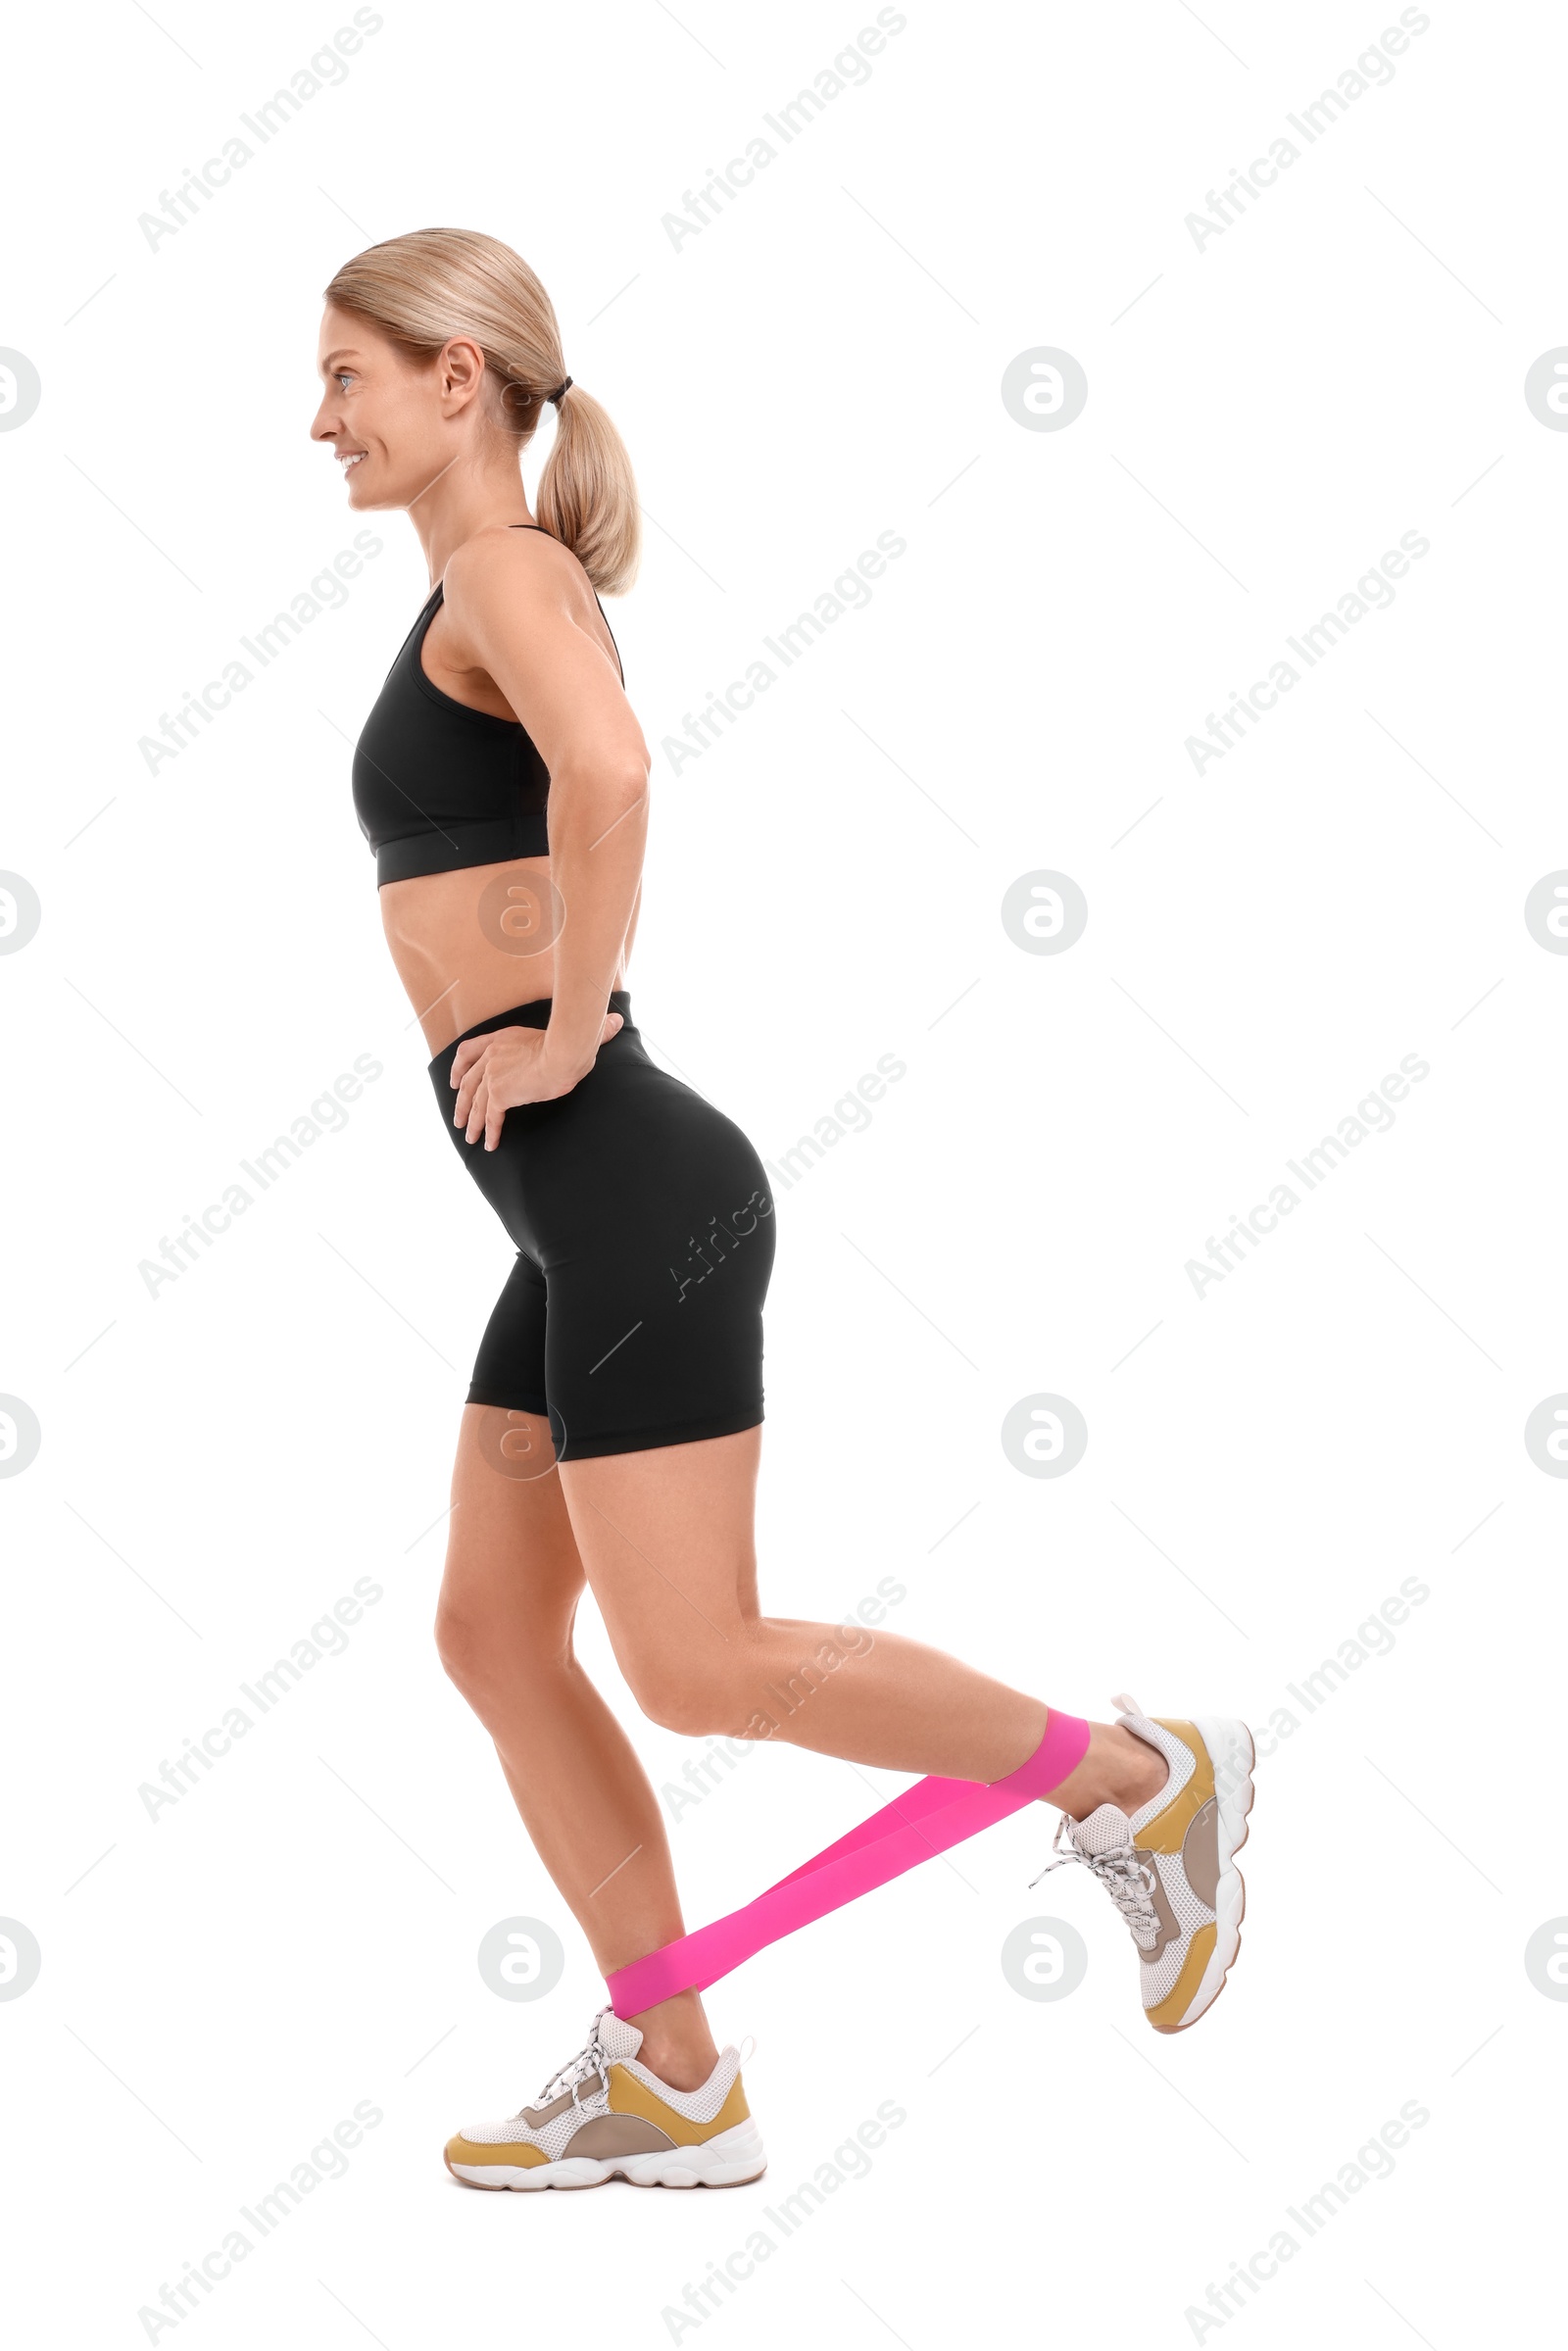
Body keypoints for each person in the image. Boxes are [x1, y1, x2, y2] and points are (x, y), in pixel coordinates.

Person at [311, 227, 1255, 2194]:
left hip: (628, 1184)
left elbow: (615, 773)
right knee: (495, 1635)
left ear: (458, 379)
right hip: (568, 1215)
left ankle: (1131, 1782)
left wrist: (563, 1030)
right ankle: (668, 2072)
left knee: (697, 1658)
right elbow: (572, 783)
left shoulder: (500, 572)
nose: (321, 417)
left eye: (348, 376)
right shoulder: (485, 584)